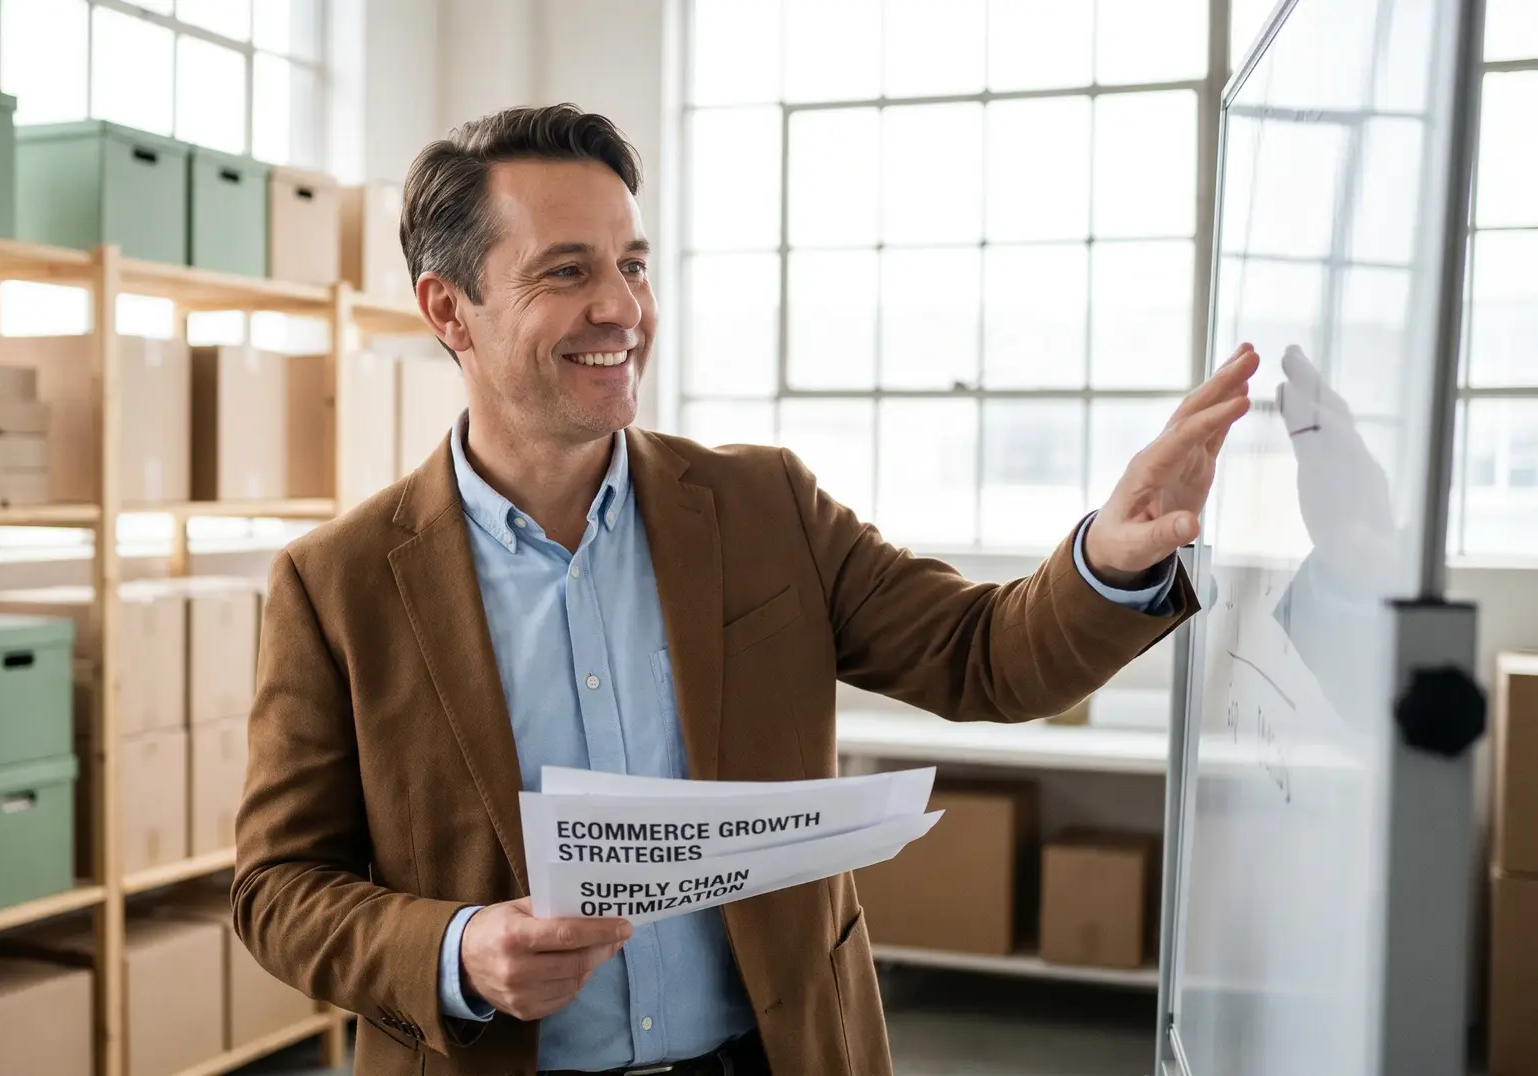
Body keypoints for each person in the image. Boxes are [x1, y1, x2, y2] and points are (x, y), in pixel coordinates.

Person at [231, 103, 1257, 1076]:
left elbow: (983, 654)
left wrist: (1111, 559)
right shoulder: (338, 585)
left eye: (633, 264)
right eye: (567, 270)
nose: (622, 307)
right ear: (448, 308)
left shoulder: (762, 504)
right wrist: (455, 949)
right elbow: (276, 889)